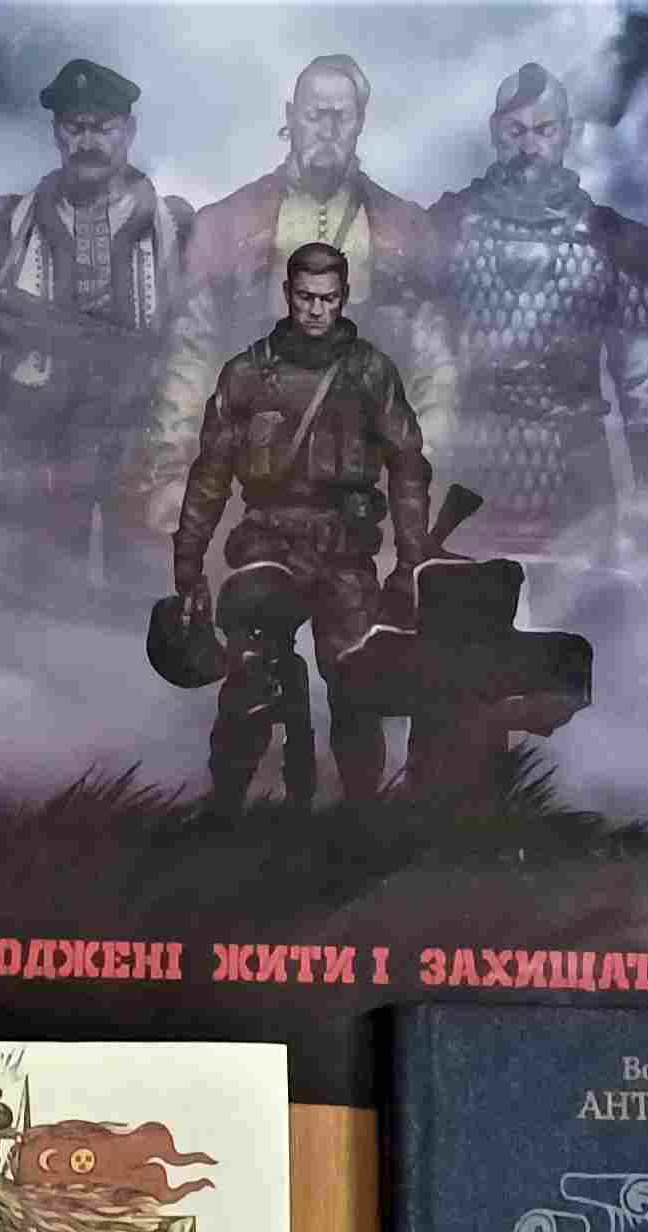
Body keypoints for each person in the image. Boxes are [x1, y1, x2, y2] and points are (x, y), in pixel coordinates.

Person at [140, 54, 456, 544]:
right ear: (290, 117)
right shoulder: (226, 224)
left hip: (362, 489)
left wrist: (415, 475)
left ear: (360, 123)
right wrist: (173, 472)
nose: (327, 131)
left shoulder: (404, 230)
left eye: (341, 117)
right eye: (315, 115)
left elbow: (434, 368)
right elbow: (191, 357)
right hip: (252, 486)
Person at [171, 242, 433, 819]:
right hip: (268, 540)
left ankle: (362, 817)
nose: (316, 310)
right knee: (249, 674)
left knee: (355, 682)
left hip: (346, 548)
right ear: (288, 294)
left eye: (328, 299)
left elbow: (408, 468)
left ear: (344, 297)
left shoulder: (371, 372)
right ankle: (225, 810)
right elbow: (211, 473)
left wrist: (412, 563)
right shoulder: (246, 374)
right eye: (306, 297)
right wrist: (188, 560)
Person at [0, 58, 197, 588]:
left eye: (103, 127)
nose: (87, 141)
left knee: (141, 598)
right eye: (75, 127)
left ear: (129, 131)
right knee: (34, 602)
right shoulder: (10, 222)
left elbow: (203, 335)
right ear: (56, 133)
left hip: (141, 451)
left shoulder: (174, 226)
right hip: (39, 456)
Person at [422, 62, 648, 557]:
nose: (530, 146)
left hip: (577, 488)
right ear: (496, 133)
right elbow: (417, 368)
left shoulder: (612, 243)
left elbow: (643, 384)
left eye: (544, 130)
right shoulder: (444, 231)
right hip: (469, 484)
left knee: (579, 605)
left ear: (567, 134)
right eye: (515, 131)